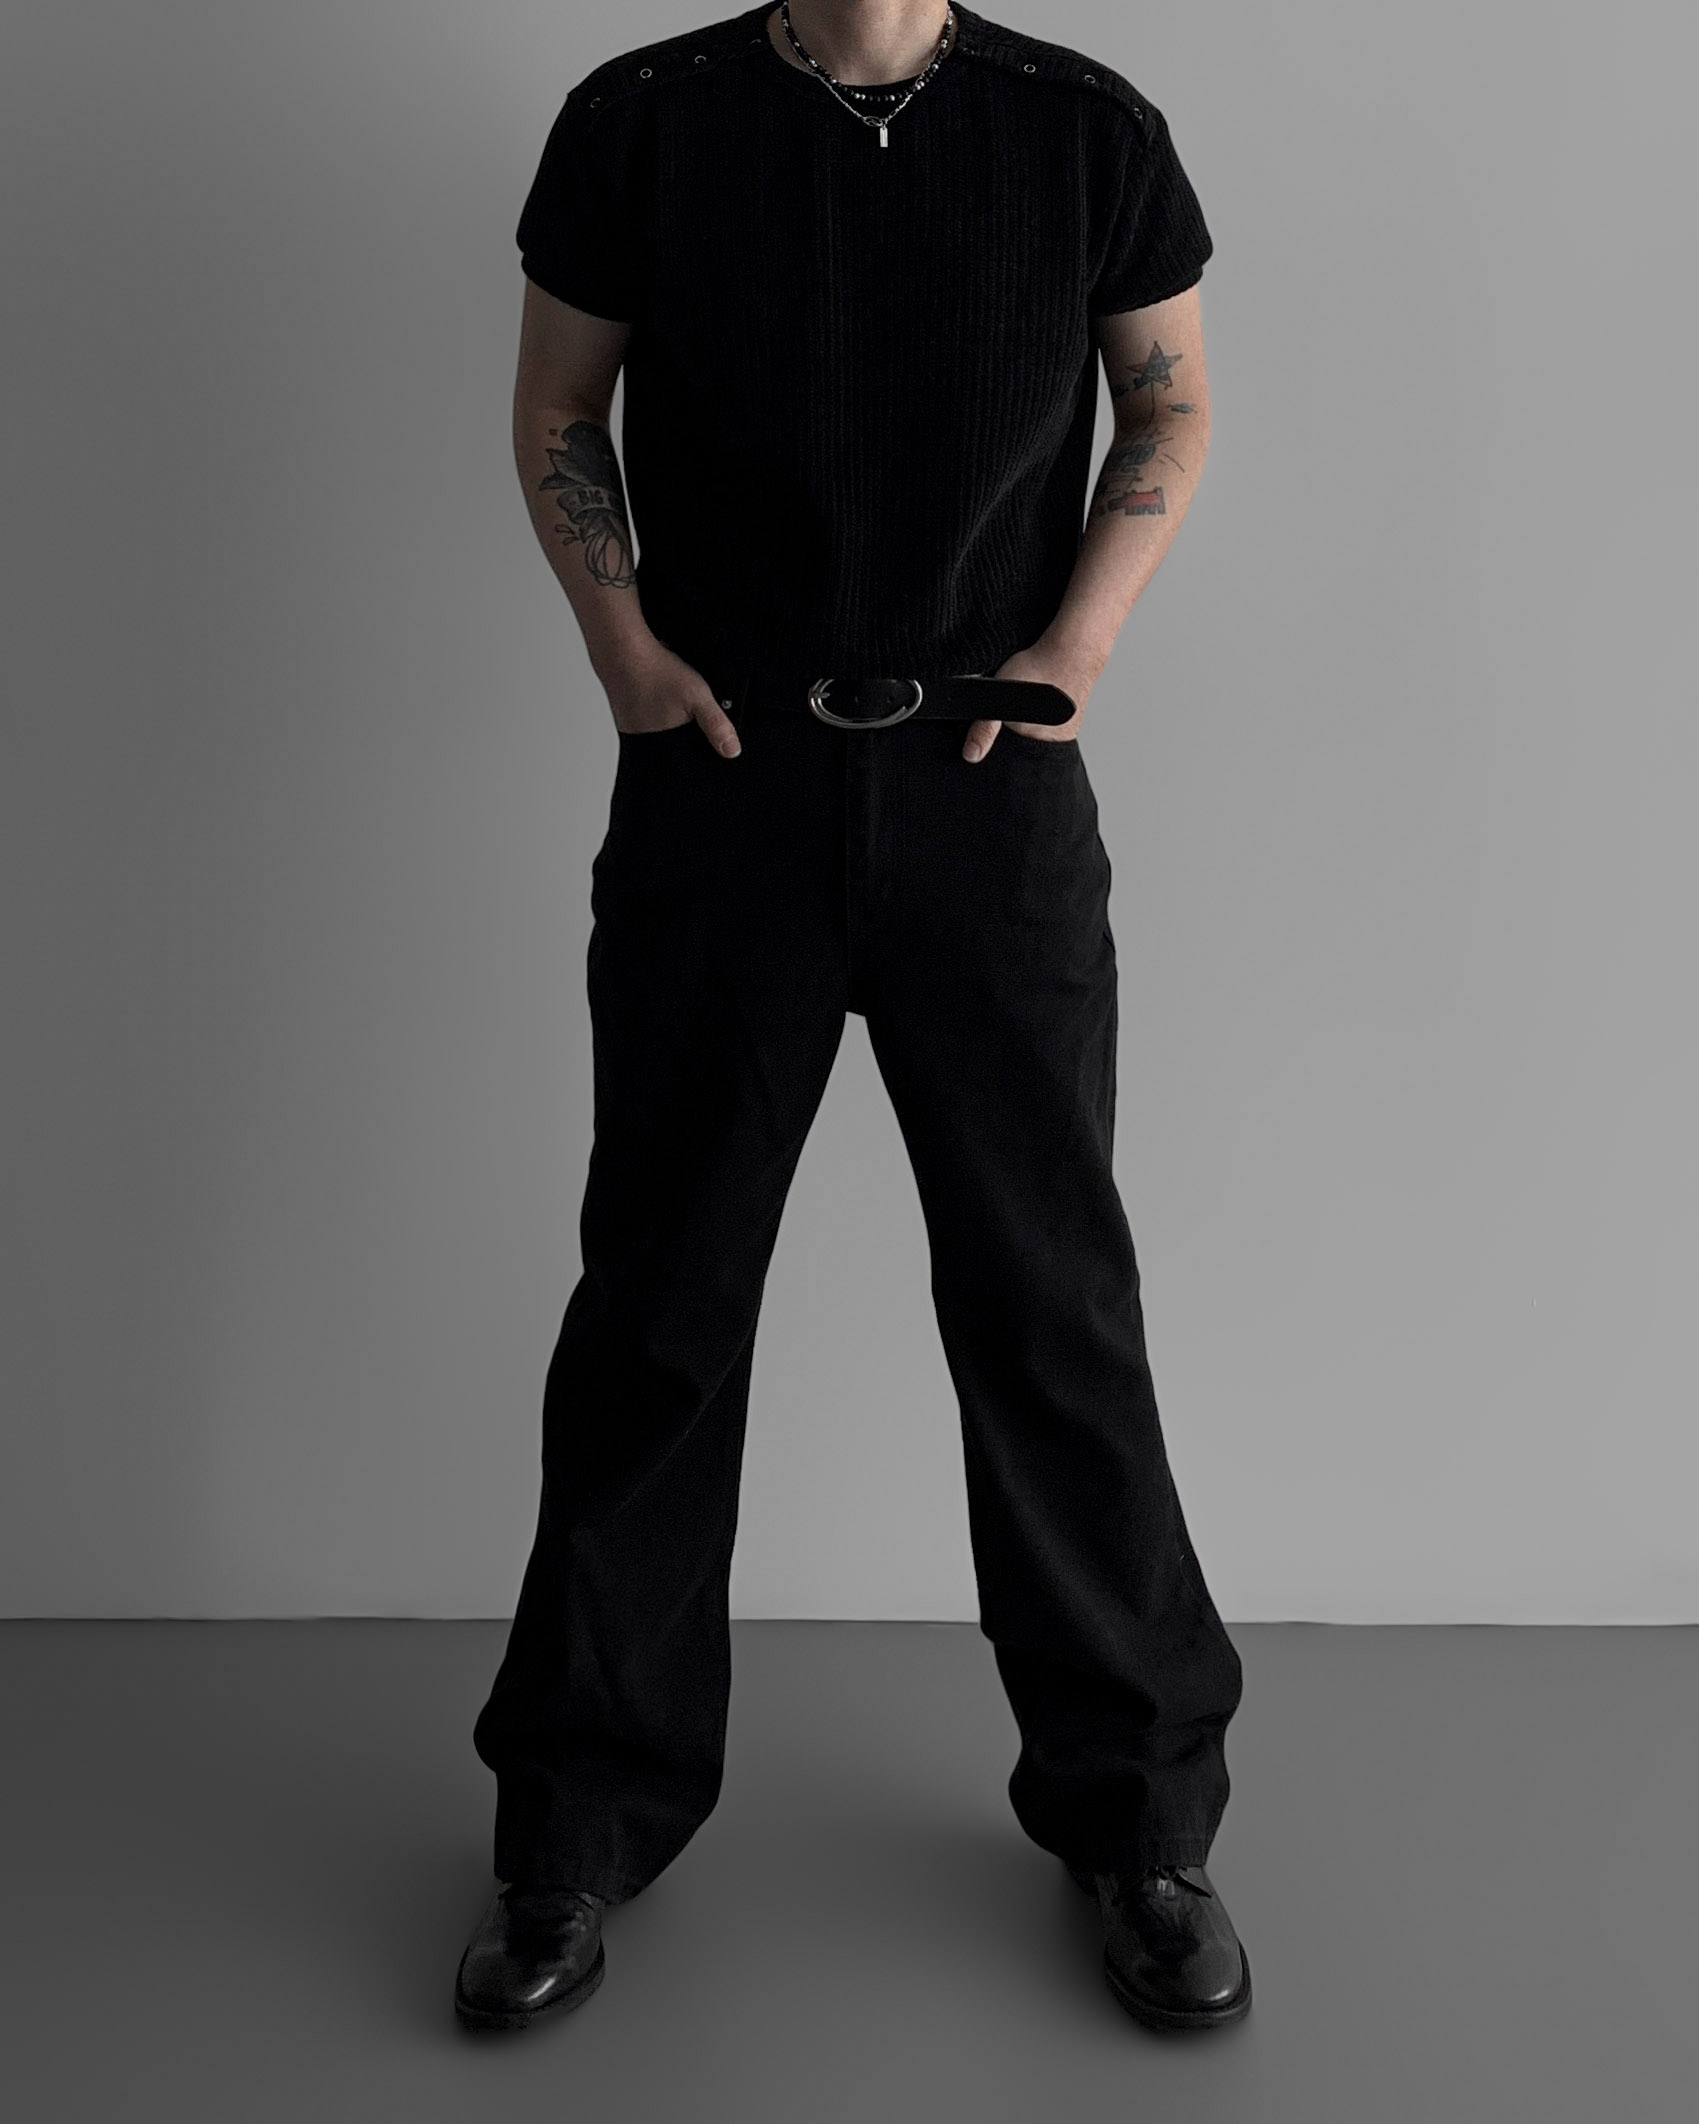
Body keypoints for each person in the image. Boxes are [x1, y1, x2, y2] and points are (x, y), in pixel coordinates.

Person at [455, 0, 1250, 2038]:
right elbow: (559, 406)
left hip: (992, 788)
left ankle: (1142, 1824)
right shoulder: (643, 120)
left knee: (1049, 1300)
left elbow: (1166, 405)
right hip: (723, 780)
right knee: (660, 1297)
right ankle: (572, 1826)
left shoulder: (1084, 129)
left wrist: (1078, 645)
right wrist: (622, 652)